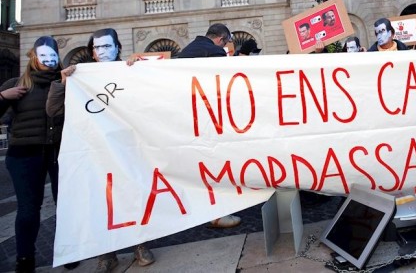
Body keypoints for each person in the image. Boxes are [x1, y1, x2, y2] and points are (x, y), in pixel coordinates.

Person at [46, 28, 157, 273]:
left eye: (107, 46)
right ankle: (107, 254)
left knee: (131, 196)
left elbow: (152, 99)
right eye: (97, 47)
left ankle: (139, 244)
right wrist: (63, 83)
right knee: (99, 201)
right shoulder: (78, 76)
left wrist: (143, 69)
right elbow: (53, 111)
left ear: (118, 48)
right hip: (94, 151)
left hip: (127, 148)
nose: (102, 51)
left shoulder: (130, 70)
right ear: (92, 53)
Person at [0, 36, 75, 273]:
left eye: (53, 55)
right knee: (28, 209)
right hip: (24, 154)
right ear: (34, 57)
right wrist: (3, 97)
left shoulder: (69, 82)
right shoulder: (16, 84)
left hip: (59, 152)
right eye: (44, 55)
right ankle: (25, 258)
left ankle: (70, 251)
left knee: (66, 206)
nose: (49, 60)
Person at [177, 23, 243, 228]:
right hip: (209, 119)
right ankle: (218, 214)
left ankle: (208, 212)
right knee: (218, 165)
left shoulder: (187, 50)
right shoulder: (214, 51)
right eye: (226, 43)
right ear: (221, 39)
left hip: (189, 117)